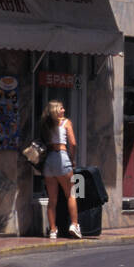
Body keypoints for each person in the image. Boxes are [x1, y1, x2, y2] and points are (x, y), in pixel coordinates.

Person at [41, 101, 81, 240]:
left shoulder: (46, 124)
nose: (64, 110)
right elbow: (73, 143)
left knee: (52, 199)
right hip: (62, 157)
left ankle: (53, 229)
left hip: (49, 160)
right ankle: (74, 225)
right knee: (71, 194)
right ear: (57, 110)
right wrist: (72, 158)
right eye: (61, 108)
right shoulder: (66, 123)